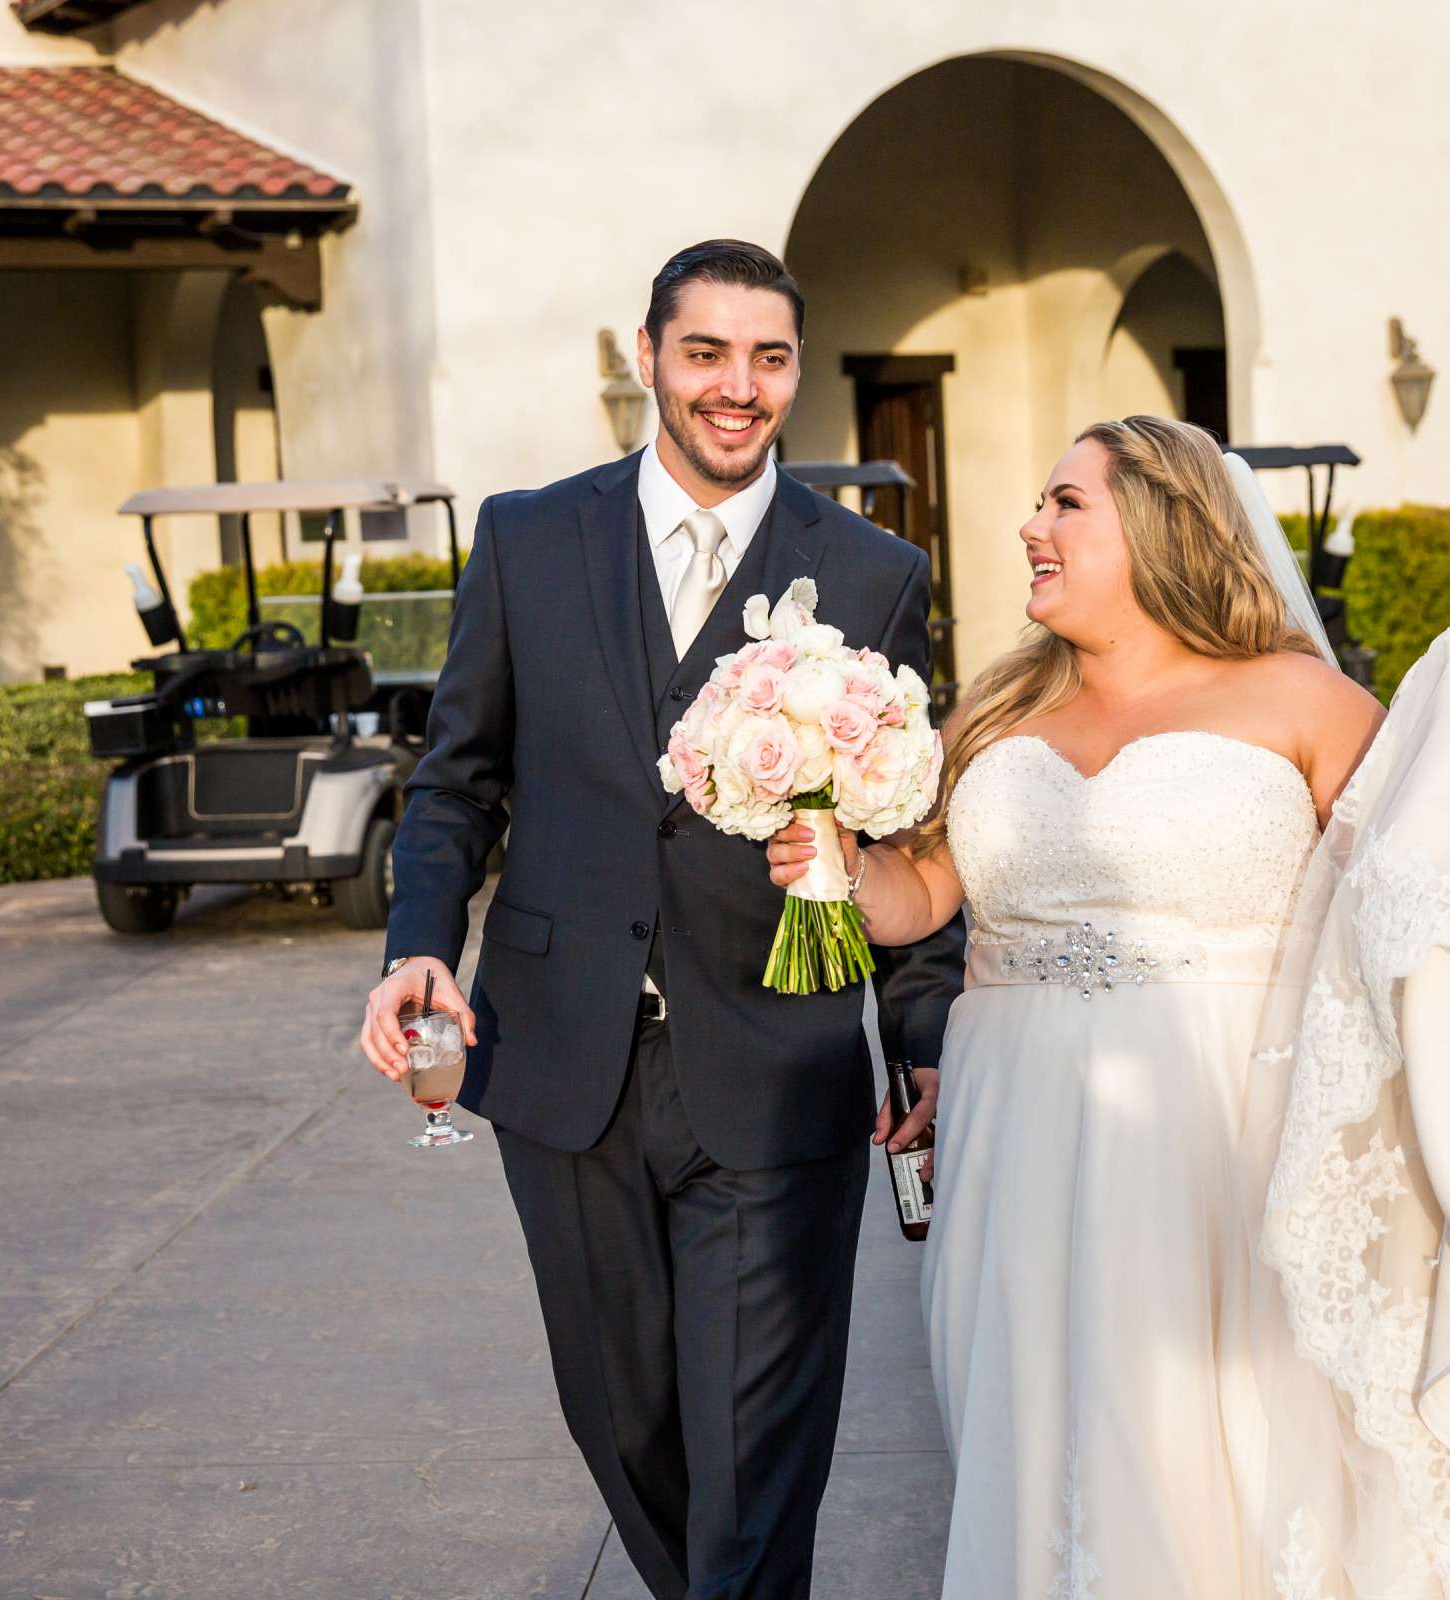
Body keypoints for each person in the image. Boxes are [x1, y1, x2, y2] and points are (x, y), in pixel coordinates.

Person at [767, 416, 1450, 1597]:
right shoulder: (994, 713)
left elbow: (1405, 904)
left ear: (1160, 521)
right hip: (1016, 1130)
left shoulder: (1303, 701)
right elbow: (923, 893)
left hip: (1220, 1127)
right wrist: (831, 854)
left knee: (1217, 1438)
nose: (1029, 526)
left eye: (1064, 502)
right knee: (1029, 1422)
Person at [360, 239, 966, 1600]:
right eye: (706, 353)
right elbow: (457, 781)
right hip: (562, 1058)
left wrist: (925, 1033)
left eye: (769, 357)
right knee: (624, 1420)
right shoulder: (527, 536)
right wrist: (418, 947)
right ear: (649, 358)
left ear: (796, 372)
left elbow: (905, 814)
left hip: (778, 1063)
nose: (736, 387)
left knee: (754, 1453)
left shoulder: (871, 573)